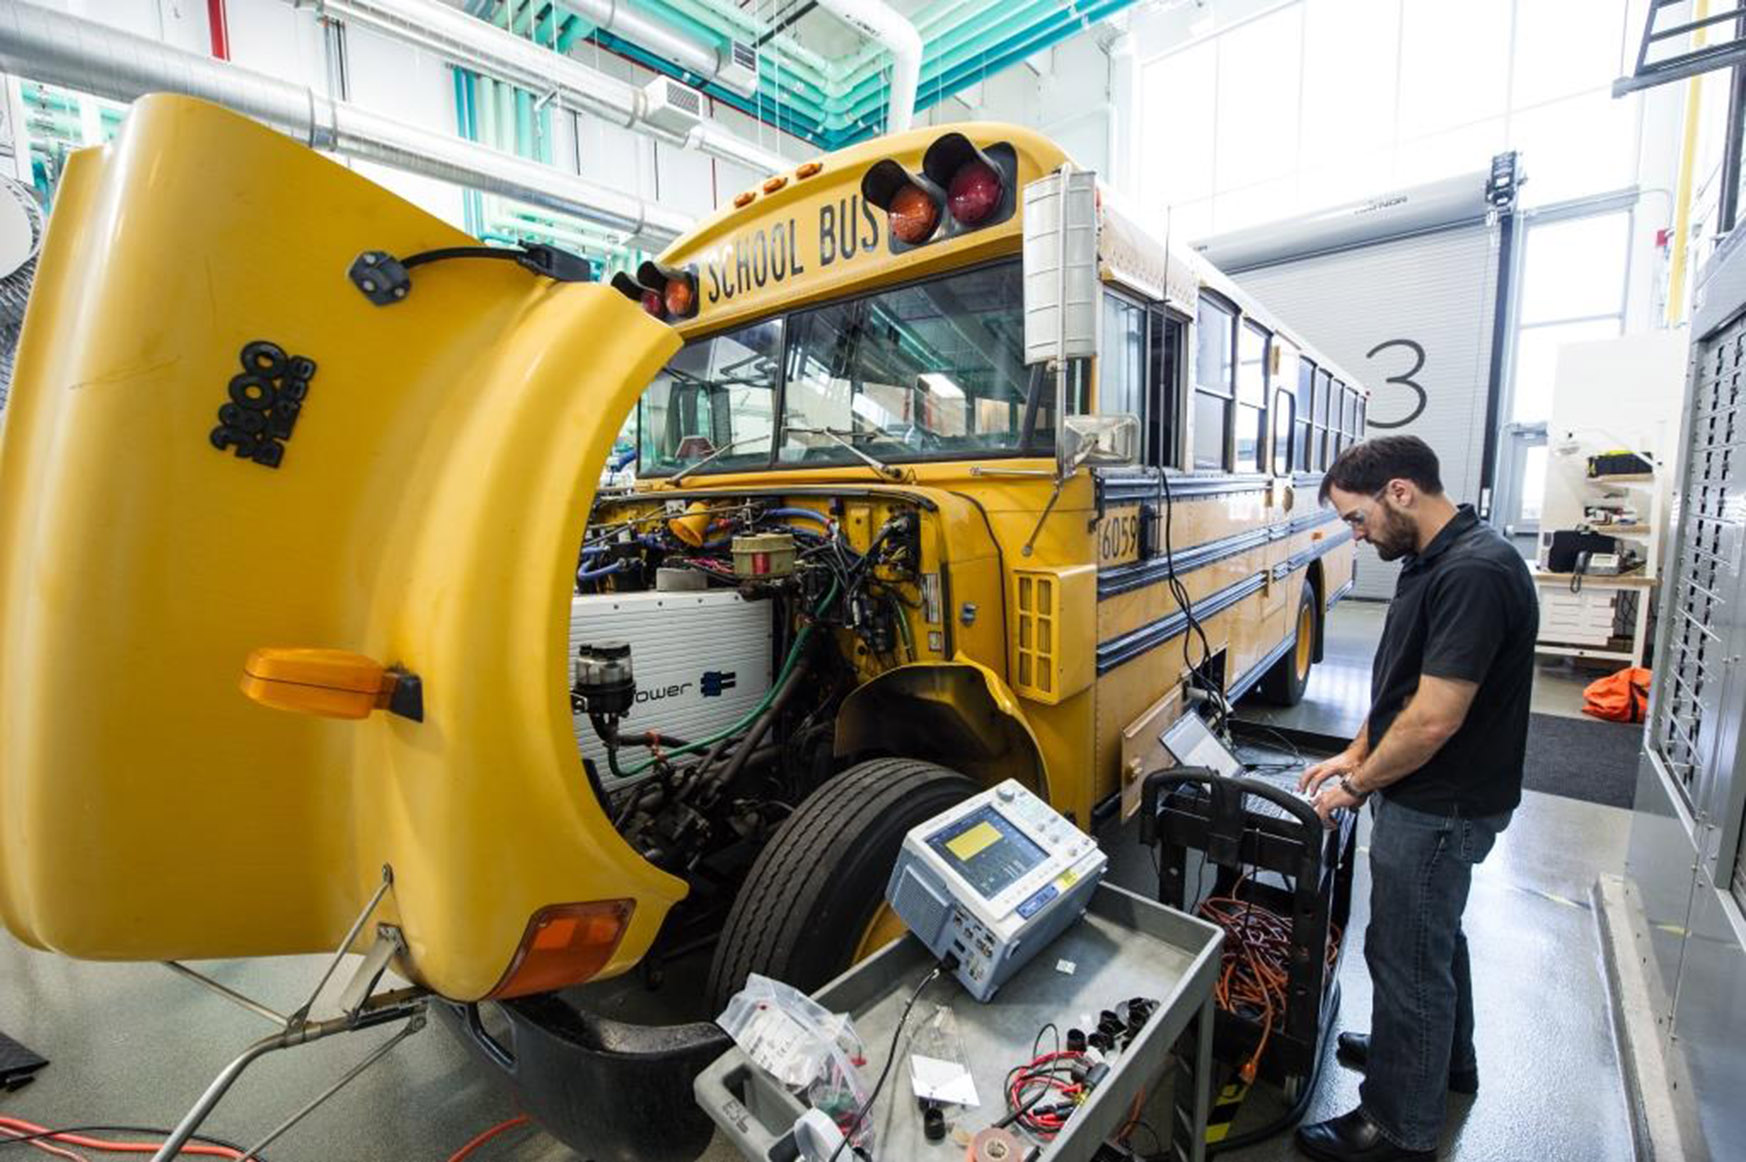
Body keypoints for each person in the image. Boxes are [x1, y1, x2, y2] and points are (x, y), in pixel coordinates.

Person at [1294, 436, 1538, 1162]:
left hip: (1442, 803)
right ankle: (1441, 1062)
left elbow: (1434, 718)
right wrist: (1357, 749)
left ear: (1399, 492)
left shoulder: (1474, 572)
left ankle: (1399, 1125)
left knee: (1404, 954)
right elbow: (1403, 683)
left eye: (1356, 519)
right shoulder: (1429, 558)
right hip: (1433, 793)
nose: (1356, 536)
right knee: (1433, 936)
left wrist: (1355, 786)